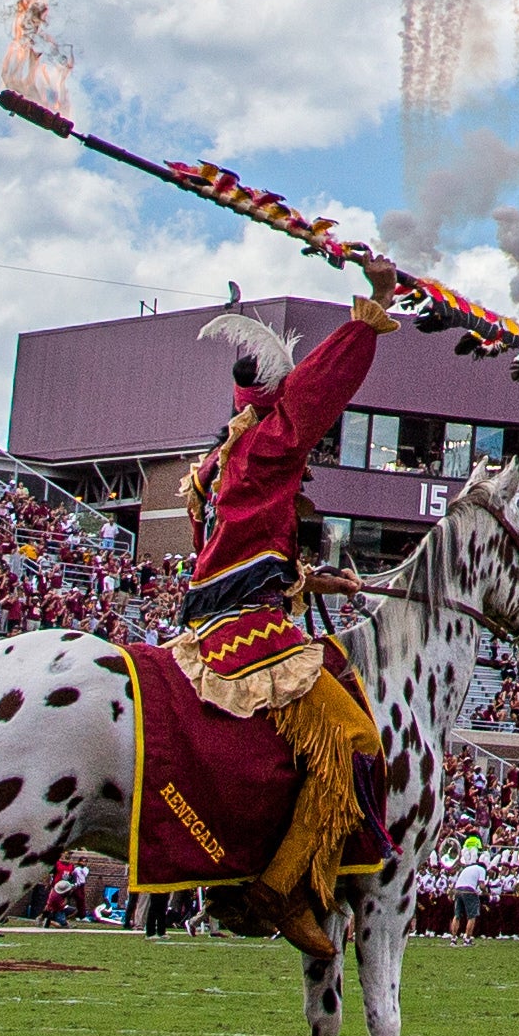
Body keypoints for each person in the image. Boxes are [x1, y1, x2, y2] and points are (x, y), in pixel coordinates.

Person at [170, 270, 409, 959]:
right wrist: (370, 313)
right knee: (355, 741)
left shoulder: (216, 461)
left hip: (209, 617)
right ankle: (277, 888)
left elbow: (234, 551)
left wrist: (312, 578)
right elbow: (319, 391)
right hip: (246, 628)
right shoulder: (270, 441)